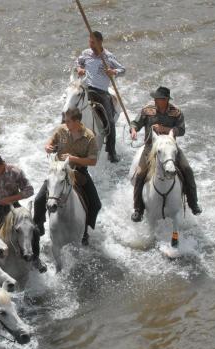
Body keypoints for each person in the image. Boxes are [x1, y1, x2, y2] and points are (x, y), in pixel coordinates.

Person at [129, 86, 201, 222]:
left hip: (170, 147)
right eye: (155, 98)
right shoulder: (147, 109)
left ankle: (193, 203)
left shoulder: (176, 112)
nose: (155, 100)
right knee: (139, 174)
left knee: (187, 170)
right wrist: (133, 129)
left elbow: (181, 129)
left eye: (158, 98)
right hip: (151, 148)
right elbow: (135, 122)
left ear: (166, 100)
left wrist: (164, 129)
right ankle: (138, 209)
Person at [33, 108, 102, 245]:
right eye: (65, 120)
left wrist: (73, 159)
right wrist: (48, 147)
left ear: (77, 121)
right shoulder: (61, 130)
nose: (65, 122)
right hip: (58, 172)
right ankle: (38, 226)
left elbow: (93, 161)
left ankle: (85, 230)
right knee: (38, 200)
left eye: (68, 121)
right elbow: (49, 143)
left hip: (78, 172)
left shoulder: (89, 136)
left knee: (96, 204)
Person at [0, 149, 46, 272]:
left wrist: (10, 199)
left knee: (32, 229)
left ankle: (36, 258)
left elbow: (29, 190)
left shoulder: (15, 172)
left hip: (13, 206)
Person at [76, 31, 126, 163]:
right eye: (90, 42)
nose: (90, 44)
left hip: (100, 92)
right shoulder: (86, 53)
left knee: (109, 121)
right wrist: (79, 69)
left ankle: (111, 152)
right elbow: (79, 62)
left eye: (93, 42)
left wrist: (113, 71)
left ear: (100, 42)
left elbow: (123, 70)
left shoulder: (108, 57)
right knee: (69, 107)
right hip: (85, 88)